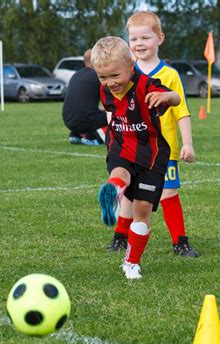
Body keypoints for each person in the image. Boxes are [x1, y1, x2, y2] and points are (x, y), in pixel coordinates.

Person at [106, 11, 200, 258]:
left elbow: (182, 111)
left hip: (162, 151)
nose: (139, 44)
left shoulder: (169, 75)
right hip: (131, 148)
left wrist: (187, 143)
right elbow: (114, 109)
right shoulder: (123, 73)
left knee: (169, 192)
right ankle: (120, 236)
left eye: (145, 38)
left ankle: (180, 241)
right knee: (128, 193)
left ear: (160, 38)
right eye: (134, 39)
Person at [91, 36, 180, 279]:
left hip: (151, 156)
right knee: (119, 171)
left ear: (131, 66)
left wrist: (166, 97)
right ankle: (114, 191)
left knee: (142, 210)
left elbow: (176, 98)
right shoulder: (105, 89)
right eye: (103, 77)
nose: (110, 83)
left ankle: (131, 262)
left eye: (115, 76)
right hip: (120, 145)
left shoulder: (147, 85)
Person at [62, 49, 107, 146]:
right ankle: (96, 137)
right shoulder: (98, 75)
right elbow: (111, 102)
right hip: (86, 120)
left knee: (93, 114)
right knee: (116, 114)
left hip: (68, 120)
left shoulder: (76, 75)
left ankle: (75, 135)